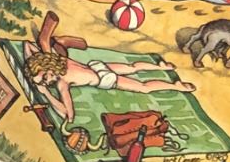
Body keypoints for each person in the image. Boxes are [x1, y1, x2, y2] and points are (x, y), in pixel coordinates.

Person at [24, 48, 199, 125]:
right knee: (133, 68)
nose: (48, 81)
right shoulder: (59, 61)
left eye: (45, 77)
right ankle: (162, 69)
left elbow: (68, 115)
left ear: (46, 66)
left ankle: (176, 86)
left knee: (143, 87)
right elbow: (28, 47)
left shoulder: (63, 83)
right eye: (44, 82)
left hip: (104, 77)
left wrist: (45, 92)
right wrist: (38, 78)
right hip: (97, 67)